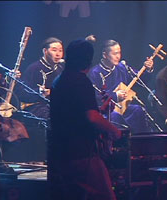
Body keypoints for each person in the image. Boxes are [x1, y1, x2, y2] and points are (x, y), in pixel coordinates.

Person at [48, 39, 122, 200]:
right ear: (87, 60)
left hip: (61, 152)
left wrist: (101, 109)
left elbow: (75, 113)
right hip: (80, 152)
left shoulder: (59, 80)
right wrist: (114, 130)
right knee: (106, 196)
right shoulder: (81, 81)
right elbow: (91, 117)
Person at [88, 39, 154, 133]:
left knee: (138, 110)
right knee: (115, 116)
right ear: (105, 55)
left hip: (122, 108)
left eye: (119, 53)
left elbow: (139, 80)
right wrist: (115, 96)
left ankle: (140, 142)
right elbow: (95, 97)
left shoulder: (122, 68)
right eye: (115, 53)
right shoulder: (95, 72)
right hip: (105, 111)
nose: (118, 56)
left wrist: (148, 69)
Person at [16, 37, 64, 120]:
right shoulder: (34, 68)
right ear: (45, 51)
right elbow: (22, 93)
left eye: (60, 50)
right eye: (54, 50)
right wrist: (39, 92)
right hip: (37, 106)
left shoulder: (61, 68)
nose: (58, 54)